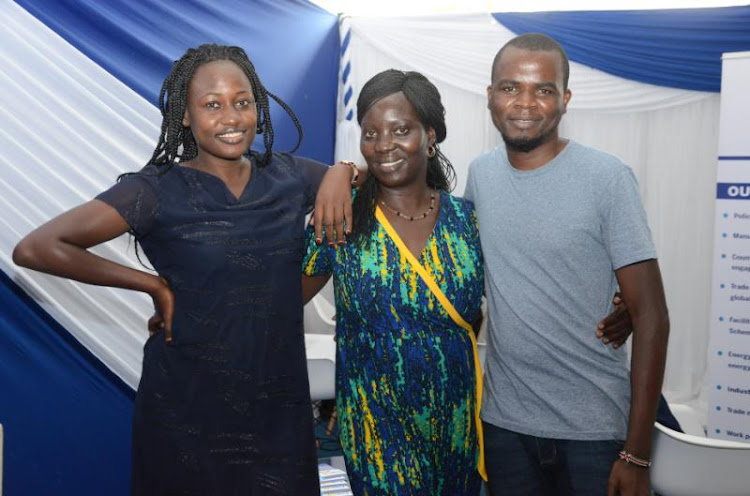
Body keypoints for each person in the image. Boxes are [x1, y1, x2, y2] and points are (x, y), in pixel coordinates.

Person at [13, 44, 352, 495]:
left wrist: (342, 171)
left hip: (277, 409)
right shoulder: (156, 191)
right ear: (186, 115)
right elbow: (37, 247)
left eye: (242, 102)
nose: (231, 117)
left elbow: (365, 183)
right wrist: (151, 284)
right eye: (212, 105)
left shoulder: (291, 177)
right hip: (186, 410)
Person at [465, 34, 670, 495]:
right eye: (510, 87)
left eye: (543, 89)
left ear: (565, 99)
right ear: (490, 96)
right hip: (504, 426)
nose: (525, 102)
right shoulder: (480, 175)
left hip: (595, 431)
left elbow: (653, 316)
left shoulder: (607, 178)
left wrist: (638, 452)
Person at [302, 70, 485, 495]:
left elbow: (478, 313)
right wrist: (202, 309)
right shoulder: (339, 216)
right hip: (375, 427)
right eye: (371, 133)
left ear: (431, 135)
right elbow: (279, 301)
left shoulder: (468, 221)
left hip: (455, 426)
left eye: (401, 130)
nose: (384, 145)